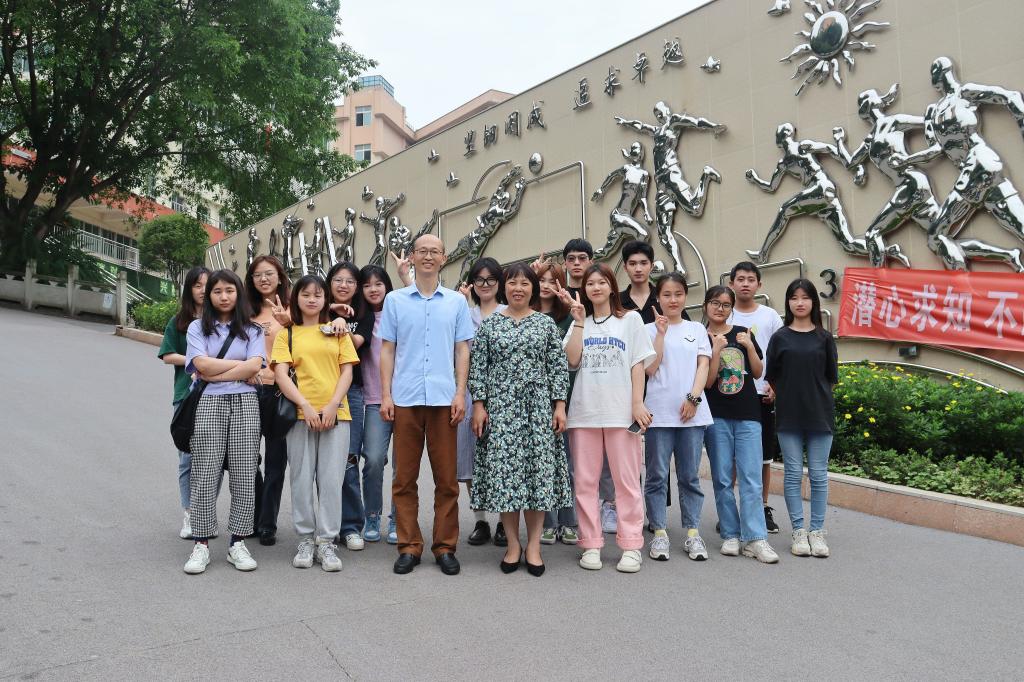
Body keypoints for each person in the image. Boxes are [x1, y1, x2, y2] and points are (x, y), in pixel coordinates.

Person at [470, 263, 572, 576]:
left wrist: (559, 406)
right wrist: (479, 405)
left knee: (537, 478)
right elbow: (479, 367)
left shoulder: (545, 324)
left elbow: (557, 367)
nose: (518, 288)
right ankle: (513, 545)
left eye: (525, 283)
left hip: (538, 410)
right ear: (504, 287)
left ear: (532, 289)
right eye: (512, 283)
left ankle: (534, 546)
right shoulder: (490, 325)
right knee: (507, 480)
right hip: (501, 411)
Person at [381, 234, 474, 576]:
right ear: (413, 256)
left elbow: (462, 349)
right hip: (405, 398)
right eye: (422, 251)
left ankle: (445, 546)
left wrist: (460, 392)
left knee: (446, 480)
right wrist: (387, 394)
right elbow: (387, 349)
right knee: (404, 478)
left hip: (443, 399)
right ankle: (409, 545)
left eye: (435, 251)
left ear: (444, 258)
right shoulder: (395, 300)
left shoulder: (456, 302)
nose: (428, 256)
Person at [559, 263, 656, 573]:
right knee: (585, 483)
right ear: (584, 289)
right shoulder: (581, 322)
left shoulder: (631, 319)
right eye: (590, 283)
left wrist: (637, 403)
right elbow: (572, 359)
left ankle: (631, 545)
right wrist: (577, 322)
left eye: (602, 282)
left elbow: (638, 364)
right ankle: (590, 543)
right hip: (584, 413)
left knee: (626, 483)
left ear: (612, 286)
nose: (596, 288)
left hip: (620, 413)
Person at [272, 274, 360, 572]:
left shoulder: (337, 332)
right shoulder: (287, 334)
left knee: (332, 479)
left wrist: (333, 404)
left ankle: (327, 541)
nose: (312, 299)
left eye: (318, 295)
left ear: (326, 300)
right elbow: (281, 375)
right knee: (301, 478)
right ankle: (306, 539)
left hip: (337, 414)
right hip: (301, 416)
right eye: (306, 294)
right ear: (296, 298)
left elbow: (347, 372)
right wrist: (305, 406)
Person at [182, 270, 265, 575]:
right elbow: (200, 364)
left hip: (246, 403)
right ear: (209, 296)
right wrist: (239, 367)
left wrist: (215, 373)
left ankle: (237, 543)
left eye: (229, 290)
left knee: (244, 472)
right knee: (205, 471)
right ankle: (201, 544)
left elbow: (254, 367)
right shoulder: (197, 327)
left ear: (238, 293)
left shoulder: (253, 330)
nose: (224, 296)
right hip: (209, 403)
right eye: (217, 291)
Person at [704, 285, 779, 564]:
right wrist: (715, 351)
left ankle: (756, 538)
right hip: (716, 416)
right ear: (706, 306)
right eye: (715, 303)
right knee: (723, 478)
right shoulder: (700, 336)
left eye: (725, 304)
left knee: (751, 477)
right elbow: (708, 382)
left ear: (731, 308)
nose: (720, 308)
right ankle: (731, 534)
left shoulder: (743, 333)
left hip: (748, 414)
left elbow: (758, 373)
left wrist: (748, 346)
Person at [766, 279, 838, 559]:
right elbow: (772, 376)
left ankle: (816, 531)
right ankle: (798, 531)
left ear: (813, 302)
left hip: (820, 414)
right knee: (793, 474)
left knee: (819, 475)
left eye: (805, 297)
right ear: (788, 302)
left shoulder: (824, 338)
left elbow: (831, 378)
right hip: (789, 415)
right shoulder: (780, 337)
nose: (800, 302)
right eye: (794, 297)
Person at [642, 273, 713, 562]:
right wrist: (660, 334)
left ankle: (693, 533)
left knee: (689, 476)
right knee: (657, 475)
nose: (673, 300)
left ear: (685, 296)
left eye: (678, 294)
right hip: (658, 413)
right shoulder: (647, 329)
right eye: (667, 294)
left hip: (691, 415)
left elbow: (703, 365)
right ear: (658, 298)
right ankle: (659, 531)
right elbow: (650, 368)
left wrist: (694, 398)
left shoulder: (696, 329)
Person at [727, 261, 784, 533]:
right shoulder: (724, 313)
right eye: (740, 279)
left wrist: (775, 385)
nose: (745, 284)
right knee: (731, 458)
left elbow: (780, 355)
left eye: (751, 279)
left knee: (763, 457)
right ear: (731, 283)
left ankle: (762, 507)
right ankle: (730, 510)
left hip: (762, 395)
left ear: (759, 284)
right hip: (730, 396)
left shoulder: (770, 316)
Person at [457, 258, 508, 547]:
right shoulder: (465, 314)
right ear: (472, 283)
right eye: (479, 279)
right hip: (467, 392)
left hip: (501, 394)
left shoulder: (508, 313)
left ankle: (503, 521)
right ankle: (480, 520)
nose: (485, 284)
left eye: (491, 279)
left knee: (500, 459)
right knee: (469, 457)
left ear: (499, 282)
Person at [325, 262, 375, 551]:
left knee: (349, 460)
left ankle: (351, 526)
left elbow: (354, 344)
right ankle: (328, 525)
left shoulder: (364, 314)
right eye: (338, 280)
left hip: (351, 393)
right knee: (323, 463)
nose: (344, 285)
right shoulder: (317, 308)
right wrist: (332, 313)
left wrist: (341, 324)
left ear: (357, 287)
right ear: (329, 282)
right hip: (319, 392)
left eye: (350, 281)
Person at [158, 265, 209, 540]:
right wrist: (196, 361)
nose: (203, 290)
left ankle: (204, 512)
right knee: (187, 458)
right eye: (197, 285)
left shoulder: (220, 321)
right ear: (189, 289)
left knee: (213, 458)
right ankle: (190, 513)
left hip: (217, 394)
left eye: (207, 285)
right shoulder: (178, 322)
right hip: (186, 396)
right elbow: (168, 355)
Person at [244, 256, 292, 546]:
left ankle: (267, 523)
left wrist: (289, 322)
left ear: (280, 277)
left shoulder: (292, 309)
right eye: (257, 275)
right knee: (247, 459)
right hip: (248, 391)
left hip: (278, 392)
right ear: (251, 280)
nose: (263, 279)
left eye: (269, 273)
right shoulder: (243, 311)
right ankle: (254, 513)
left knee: (276, 461)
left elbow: (305, 344)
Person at [534, 262, 579, 545]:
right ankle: (548, 523)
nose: (546, 285)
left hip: (567, 398)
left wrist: (574, 310)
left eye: (553, 280)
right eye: (541, 279)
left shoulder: (568, 317)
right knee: (543, 464)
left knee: (567, 464)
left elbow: (573, 359)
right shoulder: (526, 314)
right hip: (535, 400)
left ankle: (569, 521)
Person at [357, 264, 397, 544]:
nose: (373, 289)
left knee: (402, 466)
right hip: (373, 399)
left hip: (405, 399)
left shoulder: (399, 312)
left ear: (387, 286)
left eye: (378, 283)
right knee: (372, 459)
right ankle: (372, 514)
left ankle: (398, 518)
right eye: (367, 284)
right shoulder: (359, 318)